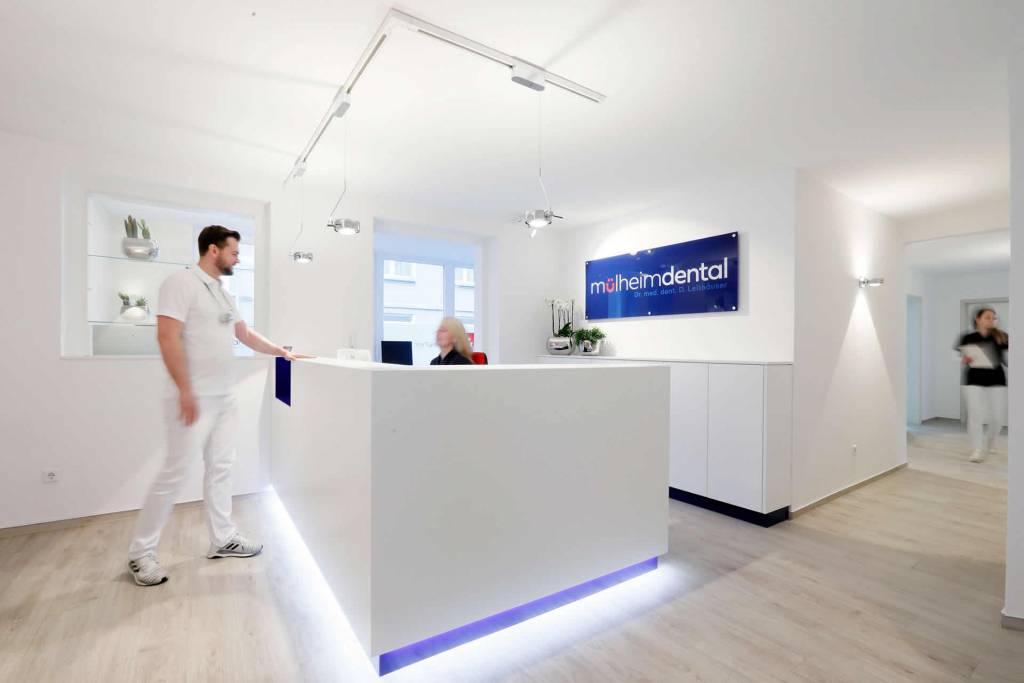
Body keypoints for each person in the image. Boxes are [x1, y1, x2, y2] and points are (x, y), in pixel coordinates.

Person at [127, 225, 312, 586]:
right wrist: (185, 389)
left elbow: (244, 334)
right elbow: (166, 336)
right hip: (193, 398)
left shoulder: (223, 294)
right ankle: (140, 554)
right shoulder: (181, 283)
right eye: (234, 252)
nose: (237, 258)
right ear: (213, 250)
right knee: (174, 473)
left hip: (224, 398)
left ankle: (223, 538)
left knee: (221, 468)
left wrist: (281, 352)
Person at [957, 307, 1009, 463]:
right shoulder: (967, 337)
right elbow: (961, 358)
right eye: (987, 317)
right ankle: (977, 449)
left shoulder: (1002, 336)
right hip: (973, 380)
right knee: (975, 415)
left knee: (998, 418)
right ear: (978, 319)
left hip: (997, 379)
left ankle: (990, 443)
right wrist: (964, 359)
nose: (991, 320)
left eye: (993, 317)